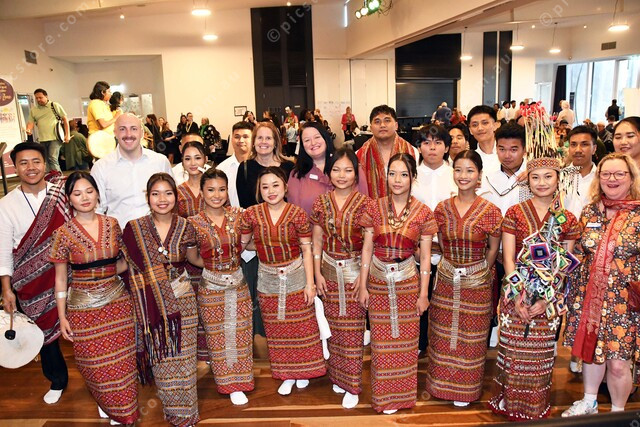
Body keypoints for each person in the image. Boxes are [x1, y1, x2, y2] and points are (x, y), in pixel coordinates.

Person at [489, 157, 579, 421]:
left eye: (548, 176)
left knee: (540, 355)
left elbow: (564, 265)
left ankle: (534, 406)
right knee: (513, 352)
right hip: (515, 291)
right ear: (527, 181)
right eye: (535, 177)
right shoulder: (514, 213)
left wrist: (546, 300)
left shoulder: (567, 219)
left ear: (558, 179)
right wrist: (518, 294)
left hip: (549, 297)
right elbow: (508, 257)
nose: (542, 182)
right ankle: (509, 403)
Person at [50, 172, 138, 425]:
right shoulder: (62, 233)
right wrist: (62, 316)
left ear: (98, 193)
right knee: (94, 363)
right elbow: (60, 279)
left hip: (118, 303)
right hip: (83, 309)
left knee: (123, 362)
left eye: (89, 191)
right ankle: (106, 402)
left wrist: (106, 275)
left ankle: (124, 413)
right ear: (69, 199)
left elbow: (124, 262)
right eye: (77, 193)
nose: (84, 197)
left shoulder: (112, 224)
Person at [357, 153, 437, 414]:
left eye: (404, 174)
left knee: (407, 343)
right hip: (378, 281)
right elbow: (367, 248)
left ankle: (403, 398)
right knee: (380, 345)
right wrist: (363, 285)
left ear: (413, 177)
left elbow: (425, 257)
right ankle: (383, 398)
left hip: (408, 282)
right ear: (385, 176)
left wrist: (423, 294)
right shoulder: (373, 207)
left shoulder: (423, 212)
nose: (397, 180)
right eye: (392, 174)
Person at [562, 153, 640, 417]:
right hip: (588, 297)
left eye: (619, 174)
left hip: (624, 302)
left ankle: (618, 414)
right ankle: (589, 402)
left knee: (618, 364)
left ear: (631, 178)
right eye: (606, 174)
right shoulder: (590, 211)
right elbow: (579, 252)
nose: (612, 179)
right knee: (590, 351)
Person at [239, 167, 326, 396]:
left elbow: (306, 250)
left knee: (302, 328)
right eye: (265, 186)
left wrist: (310, 284)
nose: (271, 191)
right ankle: (286, 374)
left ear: (285, 187)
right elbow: (242, 243)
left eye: (275, 185)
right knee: (277, 330)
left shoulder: (297, 213)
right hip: (267, 279)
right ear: (259, 190)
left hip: (296, 275)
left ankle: (304, 372)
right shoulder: (251, 214)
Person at [425, 150, 502, 407]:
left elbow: (493, 248)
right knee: (442, 333)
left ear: (479, 175)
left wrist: (479, 273)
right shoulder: (442, 209)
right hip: (446, 281)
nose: (463, 175)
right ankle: (440, 385)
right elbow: (440, 244)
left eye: (470, 170)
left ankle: (466, 390)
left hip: (477, 283)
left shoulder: (490, 211)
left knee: (472, 337)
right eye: (458, 169)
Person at [122, 173, 200, 426]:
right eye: (156, 194)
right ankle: (173, 411)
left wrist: (223, 261)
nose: (162, 199)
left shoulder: (186, 226)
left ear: (176, 197)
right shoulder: (134, 228)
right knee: (163, 358)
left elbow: (194, 259)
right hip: (152, 304)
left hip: (183, 300)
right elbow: (125, 265)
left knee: (185, 359)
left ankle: (188, 414)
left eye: (168, 193)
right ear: (148, 197)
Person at [0, 142, 71, 404]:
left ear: (45, 163)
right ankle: (57, 380)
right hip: (31, 282)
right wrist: (6, 289)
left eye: (36, 161)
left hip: (72, 272)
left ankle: (98, 380)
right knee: (44, 332)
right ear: (15, 167)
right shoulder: (6, 205)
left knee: (83, 326)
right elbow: (3, 250)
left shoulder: (63, 193)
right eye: (24, 163)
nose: (31, 168)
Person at [187, 169, 255, 406]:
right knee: (217, 337)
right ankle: (227, 383)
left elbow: (250, 243)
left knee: (241, 334)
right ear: (201, 192)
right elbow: (193, 257)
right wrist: (214, 268)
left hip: (238, 284)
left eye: (221, 189)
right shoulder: (193, 223)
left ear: (228, 191)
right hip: (211, 287)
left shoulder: (239, 216)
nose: (217, 195)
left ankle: (241, 381)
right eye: (211, 190)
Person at [311, 148, 370, 409]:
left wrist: (364, 279)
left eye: (348, 170)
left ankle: (353, 384)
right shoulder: (321, 203)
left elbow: (368, 246)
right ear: (329, 173)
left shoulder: (366, 204)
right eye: (336, 170)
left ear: (356, 173)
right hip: (328, 273)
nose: (342, 175)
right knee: (333, 329)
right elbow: (316, 242)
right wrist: (316, 274)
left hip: (354, 274)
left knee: (353, 331)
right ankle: (338, 376)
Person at [411, 124, 457, 355]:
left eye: (438, 143)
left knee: (446, 302)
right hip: (416, 251)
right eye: (426, 142)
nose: (432, 147)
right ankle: (419, 345)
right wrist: (414, 248)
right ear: (419, 147)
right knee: (419, 300)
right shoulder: (411, 176)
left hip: (449, 252)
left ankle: (443, 347)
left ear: (446, 148)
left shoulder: (456, 175)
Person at [217, 121, 263, 338]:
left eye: (246, 136)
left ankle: (259, 336)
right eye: (237, 136)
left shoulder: (259, 166)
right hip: (233, 240)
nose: (241, 140)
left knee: (258, 293)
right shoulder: (222, 169)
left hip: (257, 239)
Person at [91, 113, 173, 228]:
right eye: (122, 129)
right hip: (119, 235)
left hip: (158, 234)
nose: (128, 134)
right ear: (115, 133)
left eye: (133, 129)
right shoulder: (101, 168)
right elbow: (97, 211)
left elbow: (172, 200)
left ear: (142, 133)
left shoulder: (160, 162)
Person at [356, 105, 418, 199]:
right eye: (377, 121)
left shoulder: (412, 152)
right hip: (369, 207)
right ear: (371, 128)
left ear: (396, 125)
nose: (382, 125)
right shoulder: (360, 155)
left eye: (387, 120)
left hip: (405, 207)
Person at [236, 121, 295, 208]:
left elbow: (293, 200)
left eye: (268, 138)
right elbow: (244, 205)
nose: (263, 141)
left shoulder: (289, 167)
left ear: (275, 142)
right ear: (253, 142)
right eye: (260, 138)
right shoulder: (245, 168)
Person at [478, 122, 529, 216]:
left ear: (525, 150)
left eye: (513, 150)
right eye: (502, 149)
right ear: (496, 148)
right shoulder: (486, 174)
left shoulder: (532, 175)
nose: (507, 155)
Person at [26, 88, 70, 172]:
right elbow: (30, 122)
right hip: (42, 139)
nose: (38, 100)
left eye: (40, 97)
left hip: (55, 138)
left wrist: (67, 135)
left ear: (46, 96)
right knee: (45, 160)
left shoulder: (54, 105)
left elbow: (65, 119)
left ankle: (58, 178)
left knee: (52, 158)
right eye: (36, 98)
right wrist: (29, 129)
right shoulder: (34, 110)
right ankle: (50, 177)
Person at [564, 126, 597, 219]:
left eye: (584, 144)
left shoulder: (603, 179)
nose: (578, 150)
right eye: (573, 145)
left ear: (594, 149)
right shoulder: (559, 178)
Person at [177, 141, 206, 218]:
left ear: (205, 160)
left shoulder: (215, 188)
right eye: (187, 159)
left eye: (197, 158)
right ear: (183, 162)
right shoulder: (177, 192)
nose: (193, 163)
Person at [468, 105, 500, 174]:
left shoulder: (509, 153)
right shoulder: (470, 159)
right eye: (475, 125)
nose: (480, 128)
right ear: (470, 130)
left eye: (485, 123)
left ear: (495, 125)